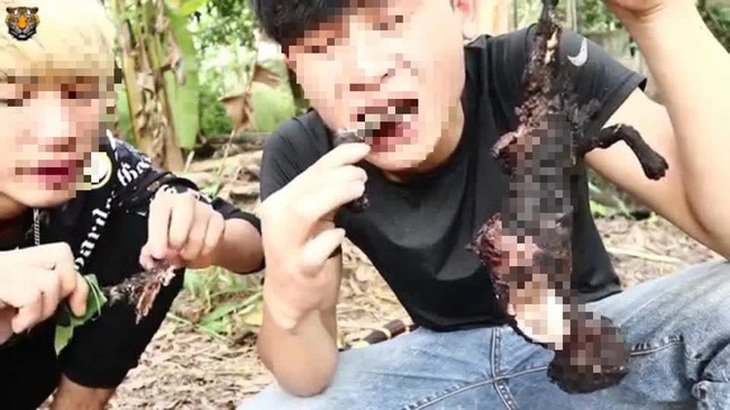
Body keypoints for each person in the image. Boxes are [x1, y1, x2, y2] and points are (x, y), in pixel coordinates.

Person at [242, 0, 730, 409]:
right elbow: (306, 379)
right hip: (441, 373)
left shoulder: (539, 65)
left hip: (590, 343)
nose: (367, 73)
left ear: (462, 10)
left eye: (392, 22)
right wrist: (287, 301)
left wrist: (660, 14)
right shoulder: (302, 156)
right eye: (324, 47)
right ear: (294, 65)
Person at [0, 0, 264, 408]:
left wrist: (205, 235)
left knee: (147, 225)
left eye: (79, 92)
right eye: (10, 99)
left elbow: (253, 244)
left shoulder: (105, 169)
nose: (59, 132)